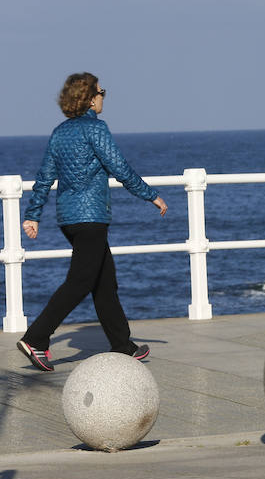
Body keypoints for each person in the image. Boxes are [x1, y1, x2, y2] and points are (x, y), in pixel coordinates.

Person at [17, 72, 168, 372]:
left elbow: (45, 177)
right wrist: (151, 196)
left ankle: (123, 344)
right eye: (101, 92)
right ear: (88, 97)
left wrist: (33, 214)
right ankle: (36, 338)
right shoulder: (96, 129)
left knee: (104, 281)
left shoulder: (59, 133)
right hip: (91, 218)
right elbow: (120, 168)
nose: (103, 97)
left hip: (69, 221)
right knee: (81, 281)